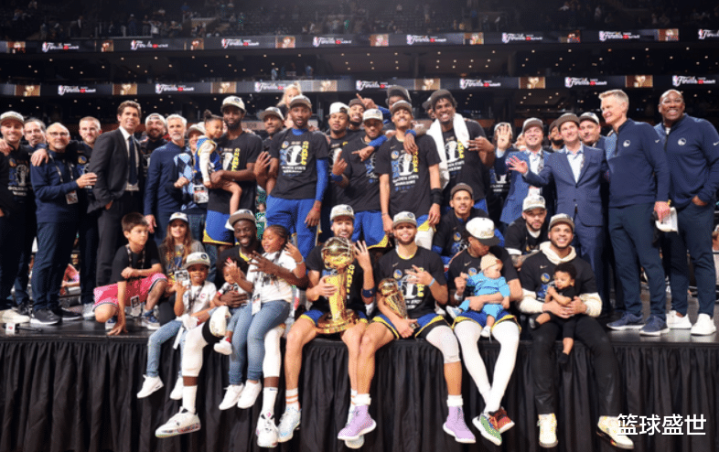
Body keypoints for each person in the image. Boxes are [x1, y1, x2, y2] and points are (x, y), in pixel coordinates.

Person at [338, 211, 476, 445]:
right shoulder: (384, 261)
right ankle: (361, 413)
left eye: (409, 227)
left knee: (451, 343)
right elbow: (379, 299)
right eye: (400, 227)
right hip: (393, 316)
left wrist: (430, 281)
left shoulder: (430, 258)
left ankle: (455, 415)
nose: (405, 231)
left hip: (424, 314)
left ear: (415, 230)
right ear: (394, 232)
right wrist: (398, 321)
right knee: (366, 341)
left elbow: (443, 299)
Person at [518, 213, 632, 450]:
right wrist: (546, 307)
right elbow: (522, 302)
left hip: (576, 316)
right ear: (549, 234)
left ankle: (609, 419)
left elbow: (596, 303)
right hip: (549, 316)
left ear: (572, 236)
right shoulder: (532, 262)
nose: (562, 234)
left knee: (602, 343)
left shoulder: (582, 265)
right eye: (557, 230)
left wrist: (584, 307)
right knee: (541, 343)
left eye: (567, 231)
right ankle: (546, 418)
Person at [276, 205, 374, 449]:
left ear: (353, 226)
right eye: (339, 222)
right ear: (331, 226)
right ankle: (292, 408)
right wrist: (318, 289)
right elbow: (309, 293)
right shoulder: (319, 251)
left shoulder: (362, 252)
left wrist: (368, 267)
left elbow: (369, 298)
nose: (344, 227)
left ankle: (355, 412)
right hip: (321, 310)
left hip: (352, 310)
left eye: (348, 222)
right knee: (294, 336)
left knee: (356, 341)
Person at [508, 113, 608, 306]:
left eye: (572, 127)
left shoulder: (596, 154)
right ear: (560, 134)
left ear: (578, 130)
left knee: (594, 263)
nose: (568, 132)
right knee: (567, 265)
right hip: (565, 219)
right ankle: (569, 304)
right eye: (564, 129)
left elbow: (608, 179)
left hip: (591, 217)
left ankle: (597, 307)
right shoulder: (554, 158)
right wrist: (527, 172)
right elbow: (542, 180)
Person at [223, 225, 306, 447]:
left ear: (282, 240)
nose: (266, 241)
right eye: (264, 237)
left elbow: (300, 279)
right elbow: (251, 288)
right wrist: (238, 278)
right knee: (238, 337)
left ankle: (253, 381)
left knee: (255, 334)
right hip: (257, 303)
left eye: (271, 238)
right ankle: (235, 383)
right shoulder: (257, 258)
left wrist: (287, 264)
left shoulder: (287, 257)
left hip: (278, 304)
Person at [600, 89, 671, 335]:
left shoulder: (643, 130)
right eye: (603, 108)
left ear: (623, 107)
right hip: (615, 208)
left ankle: (659, 317)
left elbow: (662, 167)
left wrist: (661, 200)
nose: (605, 111)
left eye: (609, 106)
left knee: (650, 262)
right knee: (624, 264)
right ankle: (633, 314)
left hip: (641, 205)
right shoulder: (609, 138)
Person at [448, 217, 522, 446]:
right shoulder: (458, 262)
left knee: (512, 338)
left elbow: (516, 292)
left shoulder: (501, 254)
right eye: (483, 242)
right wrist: (458, 293)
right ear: (470, 239)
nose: (488, 246)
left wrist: (483, 298)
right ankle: (495, 409)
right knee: (464, 338)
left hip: (497, 310)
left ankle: (489, 410)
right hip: (471, 313)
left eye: (491, 241)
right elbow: (451, 299)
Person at [655, 89, 719, 335]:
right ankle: (680, 312)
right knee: (675, 260)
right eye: (667, 101)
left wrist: (704, 196)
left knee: (701, 259)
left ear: (683, 106)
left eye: (677, 101)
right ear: (659, 107)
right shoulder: (654, 133)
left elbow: (717, 162)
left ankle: (705, 315)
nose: (672, 104)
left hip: (696, 206)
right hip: (668, 209)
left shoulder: (701, 127)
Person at [29, 123, 95, 325]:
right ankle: (38, 308)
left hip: (70, 216)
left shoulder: (69, 156)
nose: (59, 137)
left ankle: (53, 304)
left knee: (61, 262)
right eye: (54, 134)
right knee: (46, 261)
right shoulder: (40, 159)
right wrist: (76, 184)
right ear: (46, 138)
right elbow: (41, 192)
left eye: (63, 133)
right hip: (50, 217)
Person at [137, 252, 216, 399]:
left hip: (196, 323)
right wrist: (179, 294)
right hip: (179, 320)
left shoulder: (210, 286)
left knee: (184, 341)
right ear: (188, 271)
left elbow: (213, 308)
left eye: (202, 269)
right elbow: (178, 312)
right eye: (193, 269)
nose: (197, 272)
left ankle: (182, 378)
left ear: (207, 271)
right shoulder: (184, 285)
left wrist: (194, 316)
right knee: (154, 339)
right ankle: (152, 377)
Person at [88, 101, 145, 287]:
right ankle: (104, 297)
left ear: (139, 120)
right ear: (119, 117)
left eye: (135, 115)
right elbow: (96, 171)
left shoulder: (136, 144)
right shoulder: (108, 138)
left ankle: (122, 295)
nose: (131, 117)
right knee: (107, 252)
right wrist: (106, 200)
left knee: (126, 252)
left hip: (133, 202)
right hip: (113, 202)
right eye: (127, 114)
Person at [204, 96, 261, 276]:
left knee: (245, 252)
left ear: (242, 114)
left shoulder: (253, 140)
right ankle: (224, 288)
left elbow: (252, 173)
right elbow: (206, 169)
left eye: (235, 112)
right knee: (220, 256)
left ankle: (245, 287)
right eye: (227, 112)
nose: (231, 116)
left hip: (243, 204)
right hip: (217, 203)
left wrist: (224, 174)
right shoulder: (216, 141)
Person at [267, 95, 329, 258]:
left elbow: (323, 174)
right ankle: (275, 274)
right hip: (279, 197)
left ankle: (304, 275)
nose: (300, 114)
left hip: (306, 198)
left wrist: (317, 206)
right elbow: (272, 172)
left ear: (310, 113)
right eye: (296, 110)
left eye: (304, 110)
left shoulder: (317, 137)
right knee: (273, 243)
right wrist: (269, 199)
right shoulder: (279, 137)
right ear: (290, 113)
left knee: (305, 247)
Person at [376, 100, 441, 249]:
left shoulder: (426, 141)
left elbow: (434, 173)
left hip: (424, 211)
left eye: (405, 112)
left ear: (411, 117)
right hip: (398, 213)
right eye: (397, 113)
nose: (401, 115)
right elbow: (384, 184)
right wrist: (385, 215)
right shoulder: (385, 148)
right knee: (404, 257)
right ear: (392, 118)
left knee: (423, 254)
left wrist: (436, 203)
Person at [93, 212, 168, 334]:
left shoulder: (150, 244)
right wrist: (121, 319)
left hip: (136, 288)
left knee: (160, 279)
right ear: (127, 234)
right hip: (117, 291)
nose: (143, 235)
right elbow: (121, 290)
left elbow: (158, 268)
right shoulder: (122, 254)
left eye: (146, 231)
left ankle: (147, 313)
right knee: (101, 315)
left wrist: (137, 272)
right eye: (139, 231)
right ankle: (115, 313)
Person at [426, 89, 495, 212]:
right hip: (447, 202)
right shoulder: (430, 137)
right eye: (439, 107)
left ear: (454, 108)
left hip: (475, 199)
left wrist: (490, 150)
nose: (444, 110)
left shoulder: (472, 127)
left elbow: (487, 163)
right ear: (434, 113)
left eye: (447, 105)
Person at [335, 109, 387, 248]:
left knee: (378, 249)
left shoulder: (387, 145)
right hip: (353, 207)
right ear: (363, 125)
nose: (372, 127)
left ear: (382, 125)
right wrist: (337, 176)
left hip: (377, 208)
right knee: (348, 248)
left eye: (376, 124)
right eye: (369, 124)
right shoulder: (350, 147)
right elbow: (345, 182)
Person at [0, 111, 33, 324]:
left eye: (17, 126)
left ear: (23, 129)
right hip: (3, 215)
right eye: (7, 125)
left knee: (13, 264)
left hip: (22, 216)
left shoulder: (27, 152)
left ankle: (3, 307)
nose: (12, 129)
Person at [496, 118, 555, 228]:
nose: (532, 134)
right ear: (523, 136)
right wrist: (500, 150)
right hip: (515, 211)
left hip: (542, 213)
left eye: (536, 131)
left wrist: (526, 172)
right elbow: (500, 170)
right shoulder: (514, 156)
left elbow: (550, 182)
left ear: (543, 134)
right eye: (528, 131)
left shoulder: (552, 158)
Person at [144, 114, 187, 244]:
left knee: (186, 247)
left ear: (185, 128)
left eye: (178, 126)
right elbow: (150, 185)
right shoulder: (159, 153)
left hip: (188, 208)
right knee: (163, 247)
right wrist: (148, 212)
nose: (175, 129)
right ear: (168, 130)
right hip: (164, 208)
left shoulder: (192, 151)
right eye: (172, 127)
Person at [529, 262, 580, 365]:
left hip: (568, 318)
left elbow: (564, 301)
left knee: (568, 334)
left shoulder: (570, 290)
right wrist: (548, 296)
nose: (558, 282)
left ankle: (565, 353)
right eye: (556, 279)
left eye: (562, 280)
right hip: (556, 314)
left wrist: (554, 293)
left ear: (571, 282)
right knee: (547, 315)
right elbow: (547, 305)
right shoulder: (556, 289)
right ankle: (536, 323)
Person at [197, 110, 241, 221]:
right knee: (237, 190)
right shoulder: (208, 143)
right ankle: (233, 219)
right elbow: (203, 161)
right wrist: (206, 179)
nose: (219, 130)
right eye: (216, 127)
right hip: (212, 175)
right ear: (206, 126)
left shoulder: (201, 140)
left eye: (221, 128)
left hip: (209, 175)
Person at [432, 183, 491, 264]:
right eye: (458, 199)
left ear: (472, 202)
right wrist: (450, 260)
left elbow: (499, 241)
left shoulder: (481, 216)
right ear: (451, 203)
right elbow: (434, 253)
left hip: (478, 261)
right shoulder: (446, 221)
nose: (462, 202)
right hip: (453, 264)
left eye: (466, 198)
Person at [462, 254, 510, 337]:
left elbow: (504, 289)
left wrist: (506, 298)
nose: (499, 273)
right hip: (477, 301)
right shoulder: (478, 277)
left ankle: (488, 327)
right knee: (467, 300)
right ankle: (458, 310)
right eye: (497, 270)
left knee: (492, 311)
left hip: (492, 302)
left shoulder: (500, 280)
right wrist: (465, 278)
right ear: (486, 269)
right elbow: (471, 282)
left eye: (500, 271)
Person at [503, 195, 549, 269]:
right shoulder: (515, 229)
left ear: (545, 213)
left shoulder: (549, 227)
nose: (537, 218)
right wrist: (541, 252)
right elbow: (514, 262)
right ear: (524, 215)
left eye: (540, 214)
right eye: (531, 214)